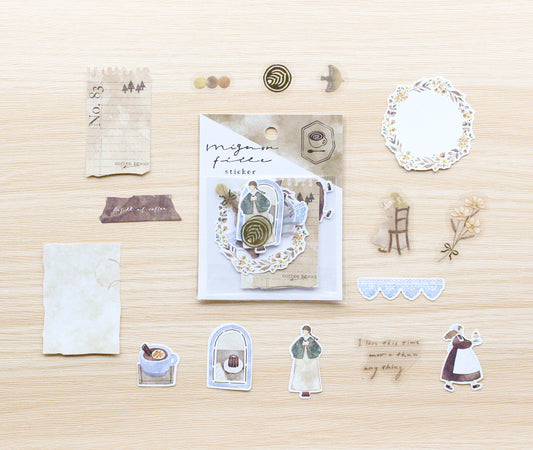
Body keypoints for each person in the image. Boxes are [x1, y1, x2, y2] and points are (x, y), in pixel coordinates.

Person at [440, 324, 483, 392]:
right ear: (458, 330)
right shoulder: (456, 338)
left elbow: (465, 342)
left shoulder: (461, 337)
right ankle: (448, 384)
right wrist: (470, 343)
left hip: (465, 355)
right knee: (455, 370)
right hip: (457, 357)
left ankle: (473, 383)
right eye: (460, 329)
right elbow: (460, 344)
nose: (462, 330)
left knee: (468, 368)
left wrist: (472, 342)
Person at [289, 325, 322, 399]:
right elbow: (293, 348)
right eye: (304, 331)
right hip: (301, 360)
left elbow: (318, 349)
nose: (305, 333)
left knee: (310, 375)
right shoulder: (300, 340)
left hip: (310, 360)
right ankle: (301, 389)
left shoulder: (312, 340)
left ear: (309, 332)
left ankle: (309, 389)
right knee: (301, 374)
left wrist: (309, 346)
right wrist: (300, 348)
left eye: (306, 331)